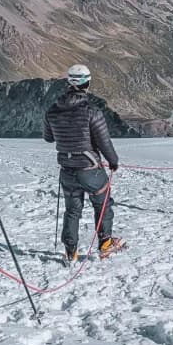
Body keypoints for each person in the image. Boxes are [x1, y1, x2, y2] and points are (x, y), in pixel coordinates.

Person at [43, 64, 121, 260]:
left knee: (72, 210)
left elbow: (49, 137)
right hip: (90, 168)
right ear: (87, 83)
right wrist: (113, 161)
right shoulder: (91, 111)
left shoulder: (53, 110)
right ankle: (105, 243)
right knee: (102, 204)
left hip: (67, 169)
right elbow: (104, 142)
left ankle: (71, 251)